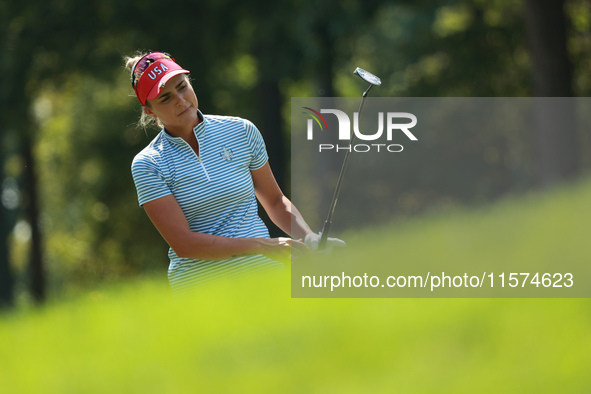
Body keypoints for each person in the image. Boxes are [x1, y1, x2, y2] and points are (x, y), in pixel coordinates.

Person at [125, 52, 344, 295]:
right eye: (165, 98)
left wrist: (309, 237)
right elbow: (184, 244)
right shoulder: (148, 164)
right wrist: (263, 246)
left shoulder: (241, 130)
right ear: (150, 112)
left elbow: (274, 201)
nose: (180, 100)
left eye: (182, 87)